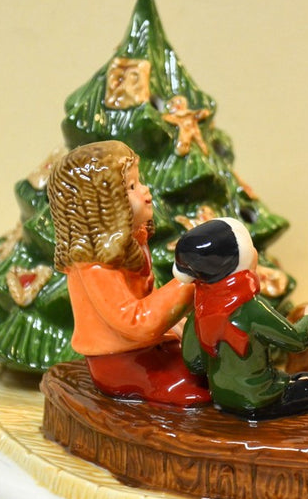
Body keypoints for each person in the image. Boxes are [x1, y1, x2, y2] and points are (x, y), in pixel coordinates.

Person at [47, 140, 212, 406]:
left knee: (207, 363)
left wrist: (175, 324)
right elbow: (134, 322)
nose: (145, 190)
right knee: (192, 384)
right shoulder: (95, 267)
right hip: (119, 362)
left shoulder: (131, 243)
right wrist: (186, 284)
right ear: (101, 207)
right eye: (131, 187)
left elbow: (146, 299)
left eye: (139, 181)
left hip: (147, 348)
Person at [174, 218, 308, 420]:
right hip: (258, 398)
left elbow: (195, 363)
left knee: (295, 379)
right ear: (240, 260)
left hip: (222, 397)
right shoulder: (251, 309)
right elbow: (297, 340)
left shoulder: (200, 309)